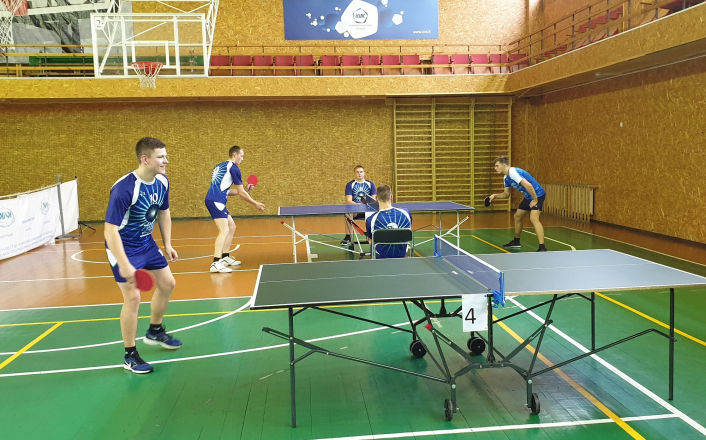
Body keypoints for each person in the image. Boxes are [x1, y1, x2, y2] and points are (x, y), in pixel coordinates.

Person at [104, 137, 182, 374]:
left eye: (165, 156)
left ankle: (155, 331)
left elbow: (164, 212)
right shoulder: (124, 189)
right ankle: (130, 356)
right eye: (161, 157)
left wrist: (167, 244)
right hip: (123, 247)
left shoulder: (162, 181)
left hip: (146, 243)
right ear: (145, 159)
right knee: (133, 298)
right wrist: (124, 264)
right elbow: (110, 230)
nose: (166, 161)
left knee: (168, 283)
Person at [204, 145, 266, 273]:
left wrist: (244, 189)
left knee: (231, 227)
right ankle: (216, 263)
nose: (242, 159)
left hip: (214, 199)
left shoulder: (219, 166)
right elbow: (241, 193)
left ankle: (225, 257)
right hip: (216, 201)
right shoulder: (234, 168)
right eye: (241, 156)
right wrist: (255, 203)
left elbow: (227, 191)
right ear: (235, 155)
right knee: (224, 230)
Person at [488, 156, 547, 252]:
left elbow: (529, 186)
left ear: (504, 165)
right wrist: (495, 196)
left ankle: (542, 247)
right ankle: (516, 242)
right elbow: (506, 194)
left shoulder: (513, 172)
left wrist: (535, 200)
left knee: (534, 218)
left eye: (497, 166)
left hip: (537, 194)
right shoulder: (506, 177)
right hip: (528, 196)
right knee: (517, 216)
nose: (495, 168)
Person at [365, 184, 412, 258]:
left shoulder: (370, 219)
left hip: (381, 256)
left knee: (371, 240)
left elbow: (370, 240)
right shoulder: (406, 213)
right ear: (391, 197)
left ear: (376, 198)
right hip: (401, 254)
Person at [342, 165, 376, 246]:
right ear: (354, 174)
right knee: (348, 214)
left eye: (361, 172)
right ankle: (348, 237)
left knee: (377, 213)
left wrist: (366, 205)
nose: (359, 174)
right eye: (357, 172)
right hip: (356, 210)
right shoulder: (350, 184)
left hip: (368, 210)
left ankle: (373, 235)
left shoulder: (370, 184)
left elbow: (374, 199)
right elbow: (348, 201)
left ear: (364, 173)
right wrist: (359, 205)